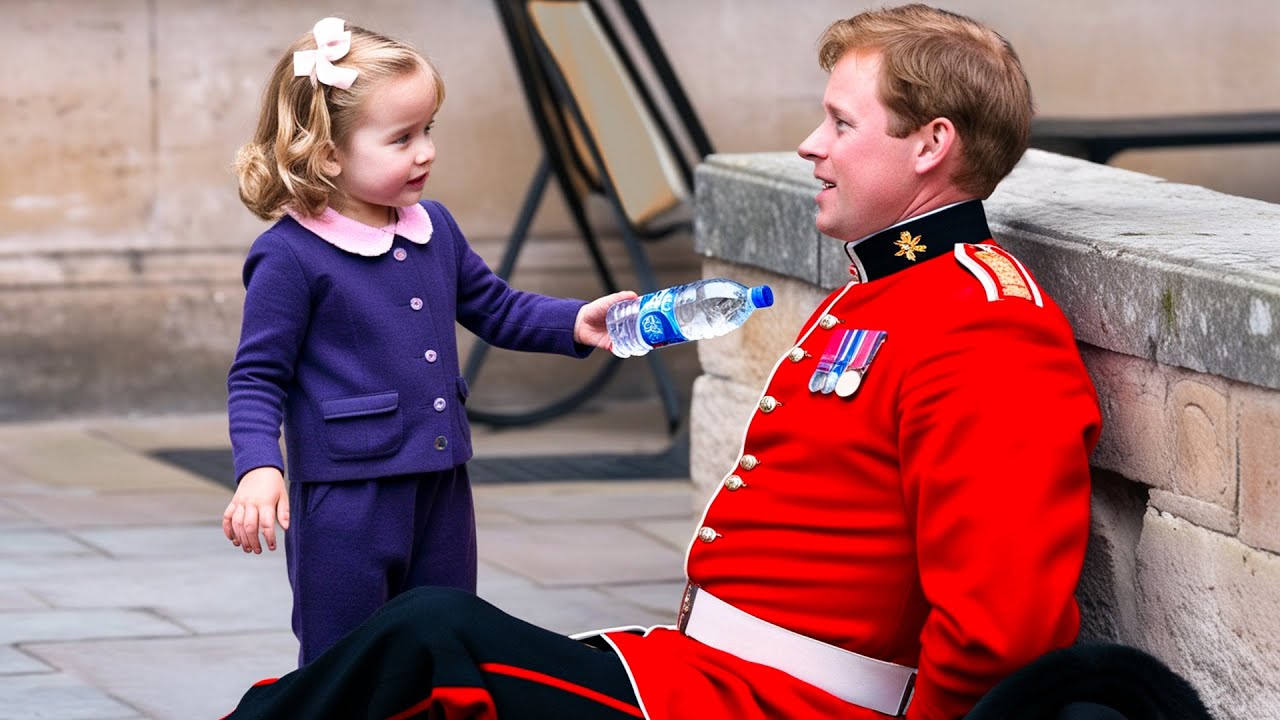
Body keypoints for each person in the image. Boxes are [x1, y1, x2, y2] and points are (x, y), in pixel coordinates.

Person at [222, 5, 1102, 718]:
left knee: (430, 642)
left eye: (840, 121)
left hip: (779, 704)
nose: (810, 145)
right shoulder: (886, 291)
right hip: (703, 676)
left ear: (930, 144)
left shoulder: (985, 329)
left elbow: (1001, 634)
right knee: (411, 650)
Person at [221, 17, 632, 666]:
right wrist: (258, 467)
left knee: (442, 643)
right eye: (402, 138)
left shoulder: (432, 226)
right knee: (345, 660)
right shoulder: (290, 256)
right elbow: (256, 377)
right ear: (328, 155)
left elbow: (494, 305)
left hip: (441, 487)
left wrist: (573, 321)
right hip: (346, 503)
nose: (426, 151)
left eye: (429, 130)